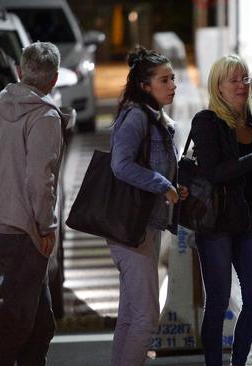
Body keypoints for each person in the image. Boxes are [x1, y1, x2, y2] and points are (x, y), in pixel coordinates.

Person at [0, 42, 69, 366]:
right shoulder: (45, 116)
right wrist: (45, 226)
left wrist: (3, 193)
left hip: (0, 227)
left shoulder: (0, 107)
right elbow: (41, 179)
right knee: (18, 322)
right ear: (53, 79)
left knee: (40, 325)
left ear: (21, 71)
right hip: (27, 231)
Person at [189, 54, 252, 366]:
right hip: (217, 223)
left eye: (245, 78)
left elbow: (246, 175)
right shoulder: (206, 122)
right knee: (218, 302)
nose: (241, 85)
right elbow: (215, 173)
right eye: (233, 80)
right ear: (218, 87)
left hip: (249, 222)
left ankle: (239, 362)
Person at [108, 46, 186, 366]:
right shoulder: (138, 116)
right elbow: (121, 165)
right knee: (145, 318)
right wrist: (163, 185)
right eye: (164, 80)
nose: (172, 85)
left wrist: (171, 185)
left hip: (144, 223)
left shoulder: (153, 118)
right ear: (145, 86)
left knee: (130, 315)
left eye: (173, 78)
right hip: (131, 226)